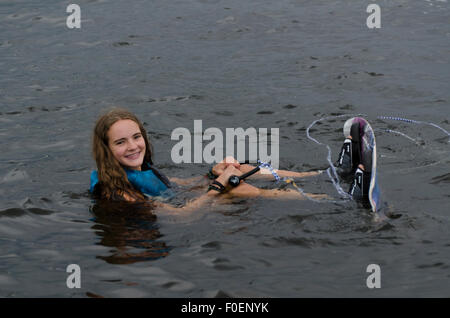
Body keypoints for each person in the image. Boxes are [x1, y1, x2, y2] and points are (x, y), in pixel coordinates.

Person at [90, 107, 326, 212]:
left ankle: (322, 175)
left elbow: (176, 185)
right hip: (183, 213)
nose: (132, 146)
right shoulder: (119, 191)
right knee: (237, 189)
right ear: (106, 149)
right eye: (120, 142)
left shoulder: (143, 169)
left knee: (239, 167)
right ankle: (324, 198)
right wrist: (218, 185)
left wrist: (211, 174)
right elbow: (179, 217)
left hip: (183, 199)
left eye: (136, 137)